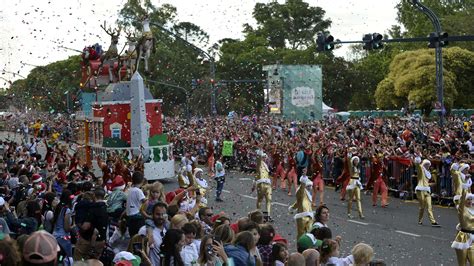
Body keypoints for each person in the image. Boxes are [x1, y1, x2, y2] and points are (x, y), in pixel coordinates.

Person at [74, 188, 108, 261]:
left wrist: (80, 225)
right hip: (101, 241)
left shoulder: (93, 208)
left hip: (87, 240)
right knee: (94, 262)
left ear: (94, 195)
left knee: (78, 260)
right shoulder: (106, 208)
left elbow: (85, 227)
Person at [139, 201, 168, 266]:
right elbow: (140, 253)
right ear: (152, 214)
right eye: (157, 214)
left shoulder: (168, 230)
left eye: (163, 214)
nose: (160, 217)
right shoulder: (144, 230)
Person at [413, 157, 440, 226]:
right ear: (423, 164)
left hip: (427, 191)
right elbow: (417, 165)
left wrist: (430, 184)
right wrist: (418, 161)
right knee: (422, 207)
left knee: (429, 206)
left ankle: (433, 221)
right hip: (420, 190)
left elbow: (430, 182)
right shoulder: (421, 170)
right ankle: (420, 220)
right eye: (426, 164)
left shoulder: (428, 173)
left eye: (428, 164)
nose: (427, 166)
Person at [452, 189, 474, 266]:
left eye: (471, 199)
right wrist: (464, 188)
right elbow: (460, 204)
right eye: (468, 199)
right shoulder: (462, 211)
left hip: (473, 238)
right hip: (463, 238)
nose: (470, 201)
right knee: (462, 264)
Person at [51, 189, 74, 265]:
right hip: (63, 239)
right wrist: (74, 226)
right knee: (66, 258)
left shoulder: (58, 207)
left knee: (58, 258)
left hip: (54, 236)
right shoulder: (67, 210)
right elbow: (66, 228)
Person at [289, 171, 314, 239]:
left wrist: (292, 208)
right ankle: (300, 248)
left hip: (309, 216)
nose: (310, 187)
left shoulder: (308, 195)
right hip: (302, 216)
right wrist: (304, 177)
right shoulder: (301, 192)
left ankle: (307, 247)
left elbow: (298, 203)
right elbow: (302, 187)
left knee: (310, 234)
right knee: (301, 234)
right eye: (308, 186)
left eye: (310, 186)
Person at [253, 150, 272, 218]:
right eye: (263, 157)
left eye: (265, 157)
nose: (264, 158)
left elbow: (256, 175)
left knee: (269, 199)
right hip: (261, 183)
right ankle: (258, 214)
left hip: (268, 184)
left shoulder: (266, 165)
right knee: (260, 199)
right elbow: (256, 175)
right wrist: (254, 184)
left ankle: (268, 215)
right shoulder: (259, 164)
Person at [126, 171, 146, 237]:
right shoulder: (138, 191)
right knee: (139, 235)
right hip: (137, 216)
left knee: (133, 235)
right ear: (142, 181)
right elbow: (145, 202)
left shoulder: (130, 189)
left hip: (129, 216)